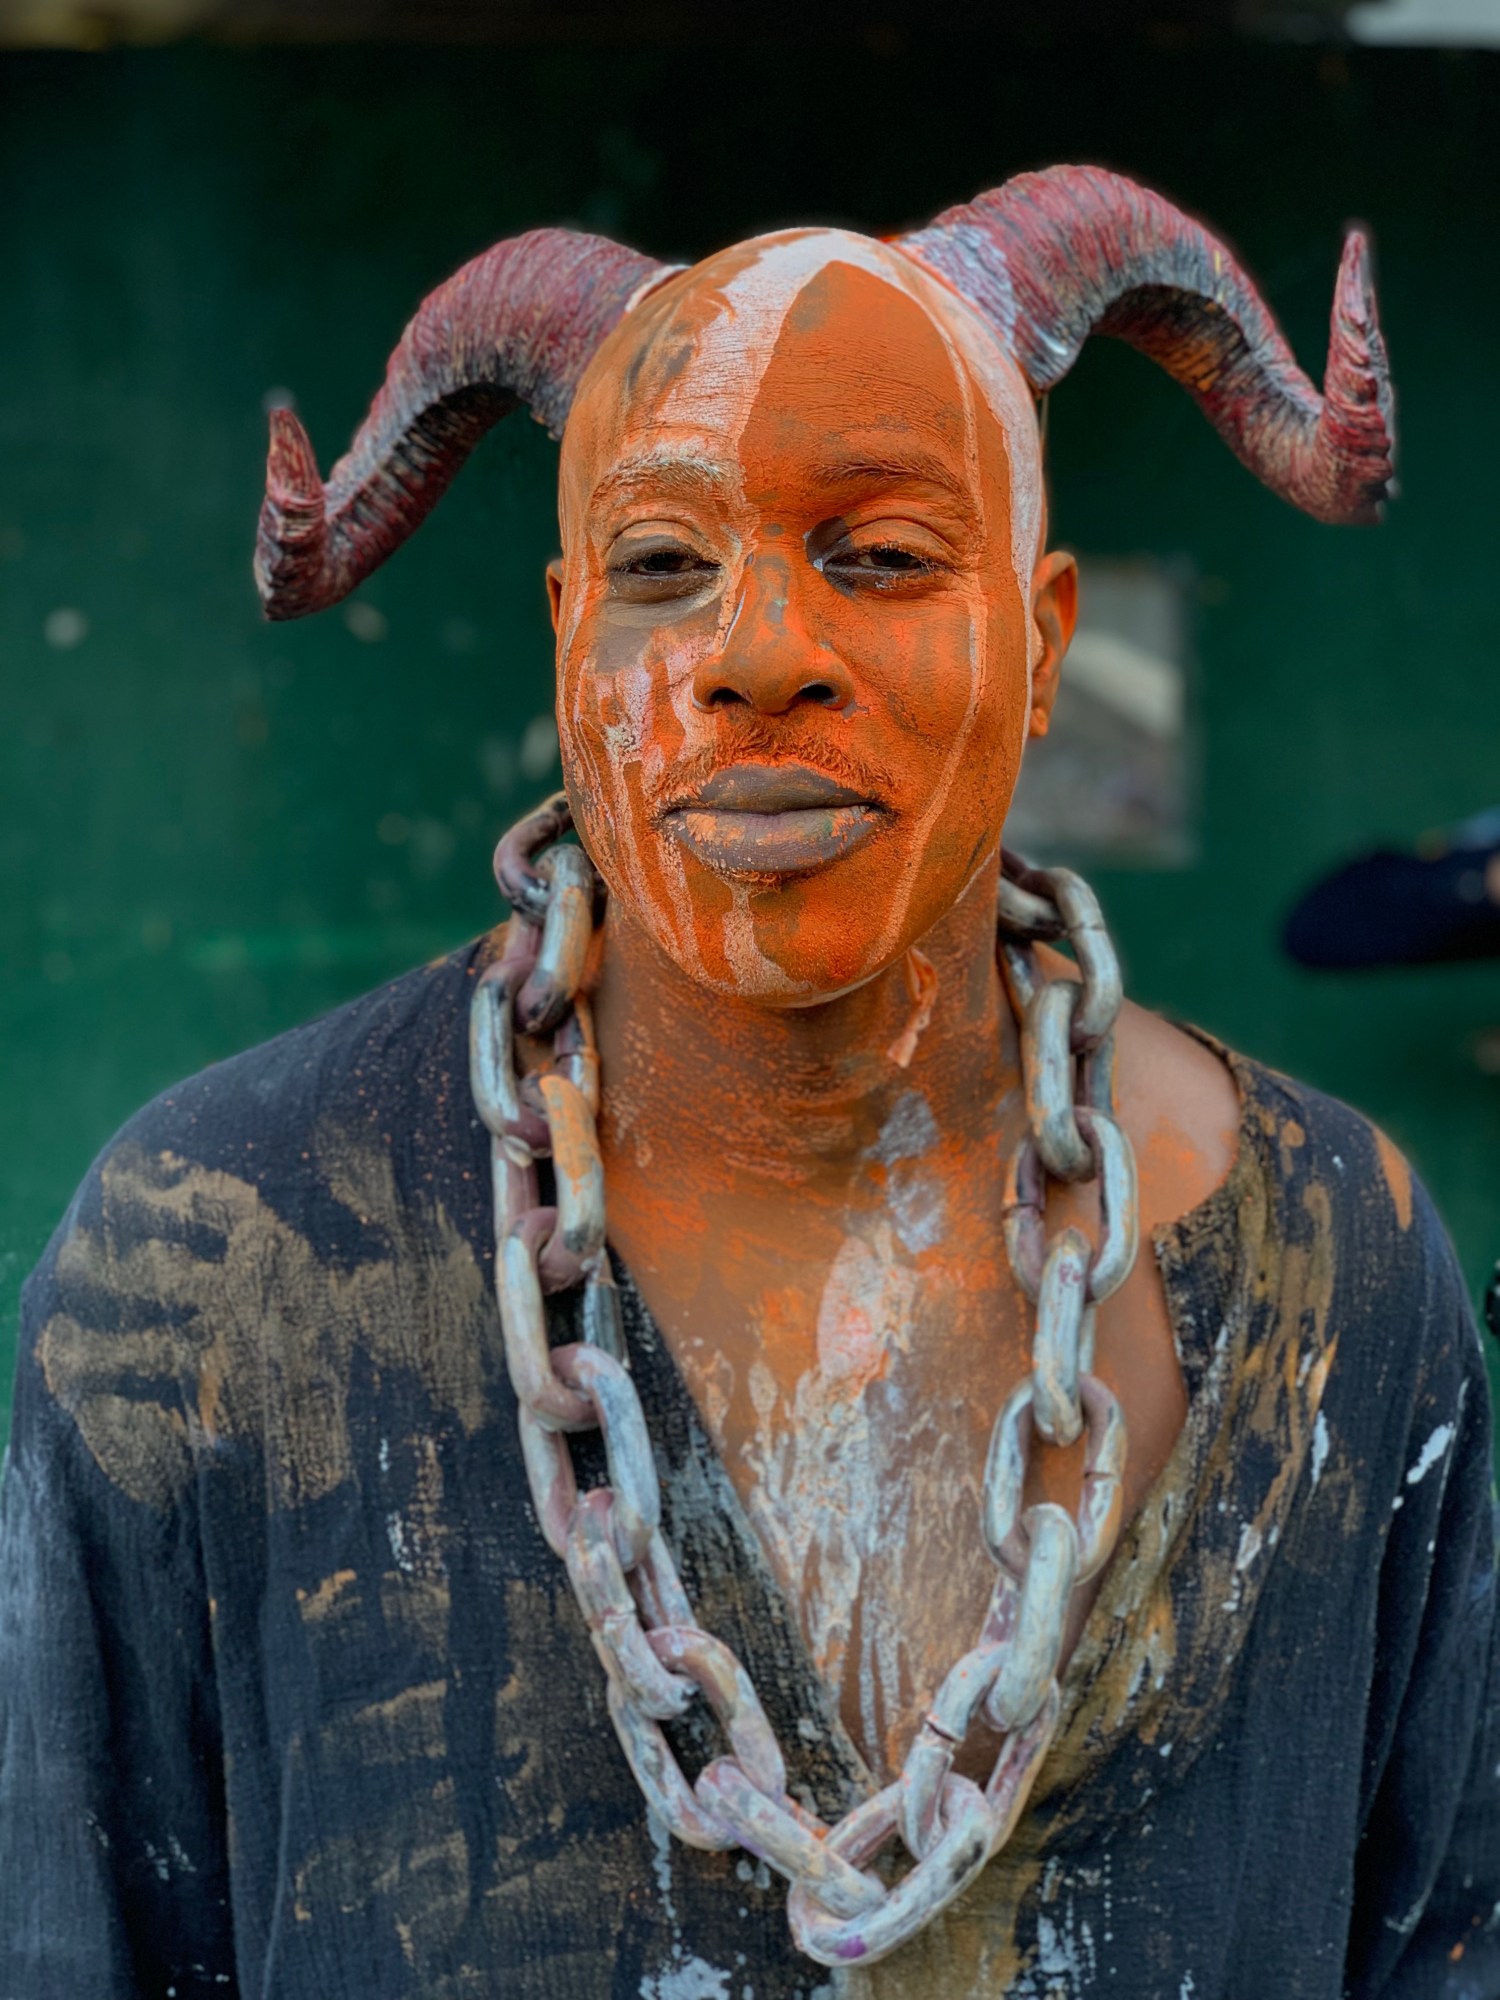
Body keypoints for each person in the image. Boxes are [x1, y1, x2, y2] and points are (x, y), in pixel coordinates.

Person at [1, 166, 1495, 1999]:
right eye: (662, 568)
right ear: (570, 641)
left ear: (1042, 647)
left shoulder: (1346, 1272)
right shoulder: (205, 1278)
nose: (762, 655)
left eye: (877, 555)